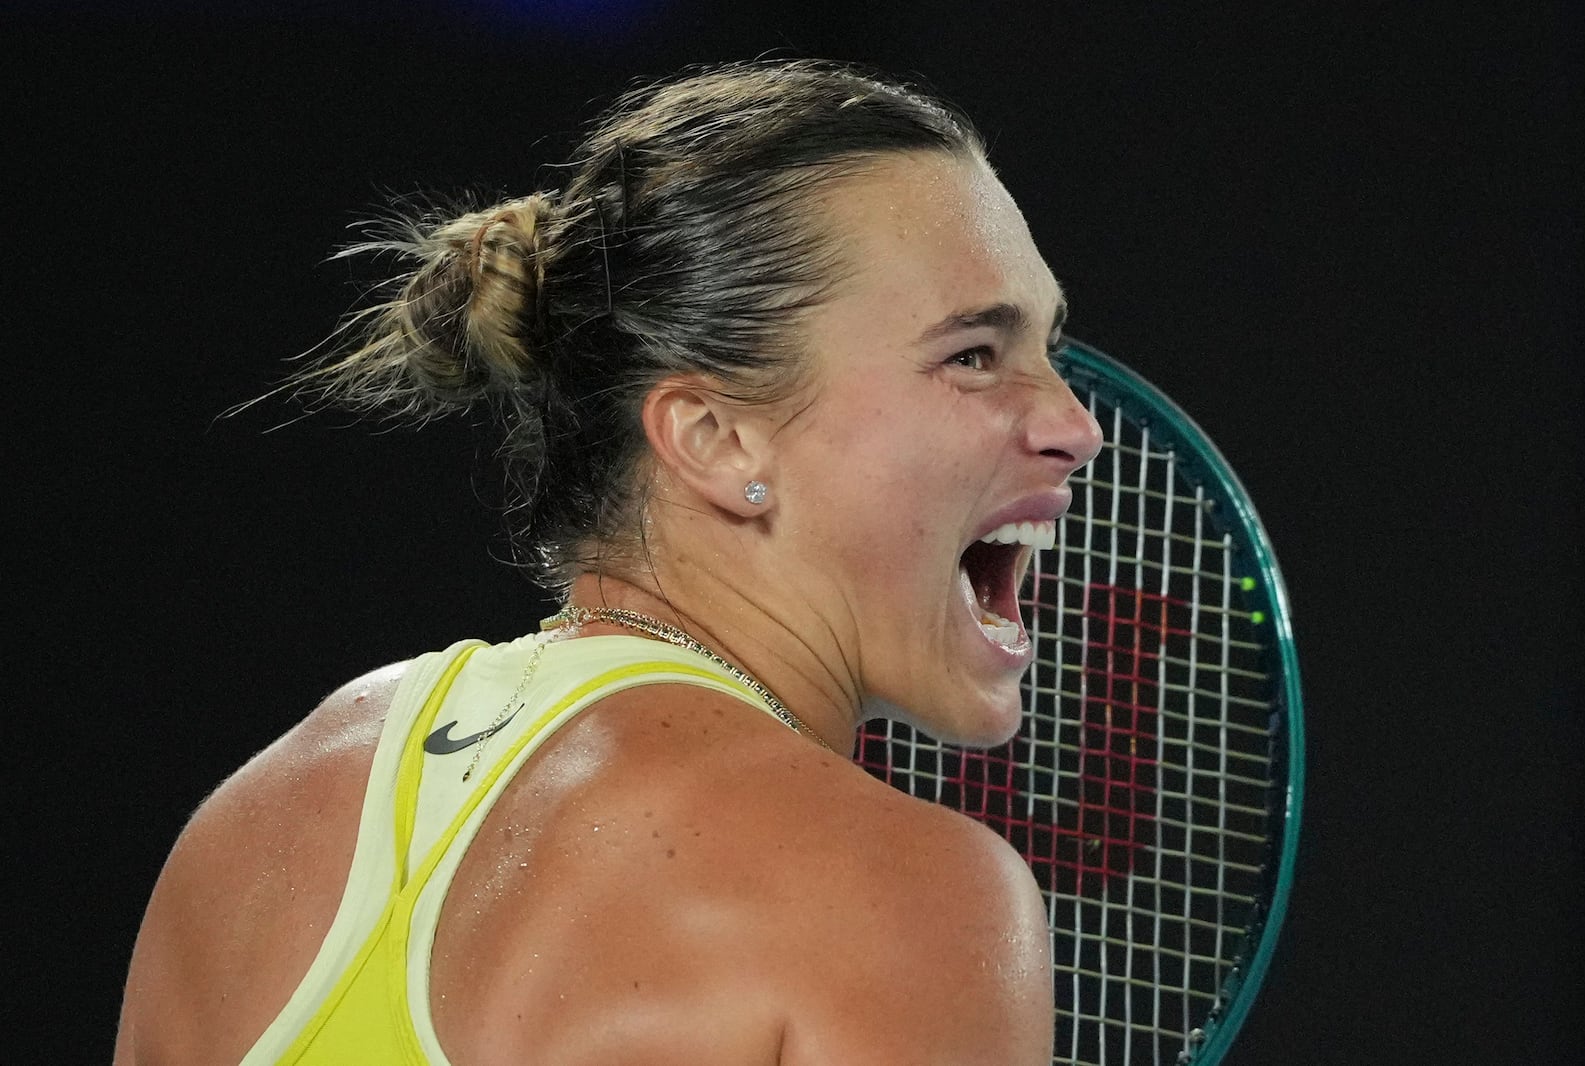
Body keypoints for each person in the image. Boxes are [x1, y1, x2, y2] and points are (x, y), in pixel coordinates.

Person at [115, 59, 1103, 1065]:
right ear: (715, 437)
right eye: (972, 355)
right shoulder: (906, 893)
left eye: (1049, 348)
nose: (1076, 425)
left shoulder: (251, 826)